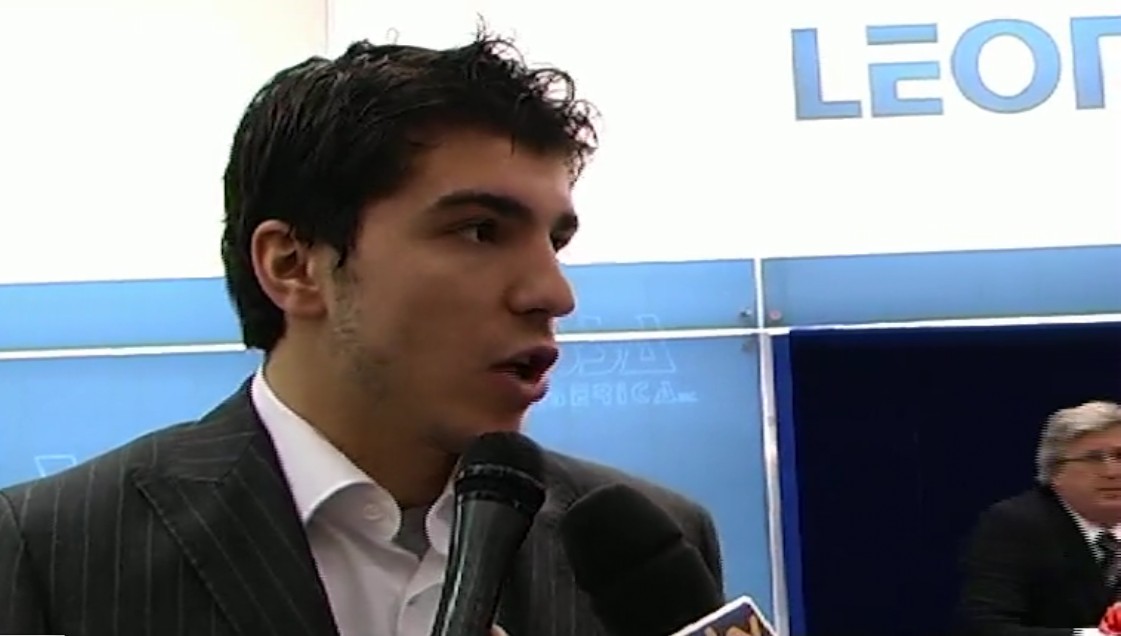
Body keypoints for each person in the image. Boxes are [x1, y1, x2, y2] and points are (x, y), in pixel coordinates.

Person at [0, 30, 724, 636]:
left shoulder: (649, 551)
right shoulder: (50, 549)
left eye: (555, 242)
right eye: (480, 231)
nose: (553, 294)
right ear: (294, 266)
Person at [956, 400, 1121, 636]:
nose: (1113, 472)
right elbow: (986, 628)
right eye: (1093, 458)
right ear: (1055, 472)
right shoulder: (1015, 525)